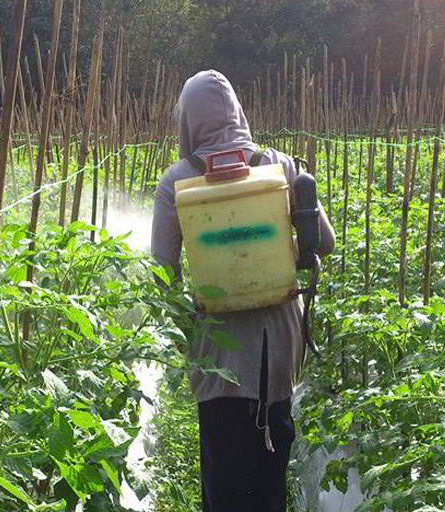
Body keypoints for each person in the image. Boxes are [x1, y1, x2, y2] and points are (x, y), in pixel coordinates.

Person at [150, 70, 335, 512]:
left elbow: (162, 273)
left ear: (189, 121)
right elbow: (323, 243)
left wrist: (186, 328)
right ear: (237, 112)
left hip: (219, 351)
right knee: (270, 465)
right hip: (280, 347)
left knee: (224, 466)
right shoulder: (282, 167)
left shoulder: (176, 181)